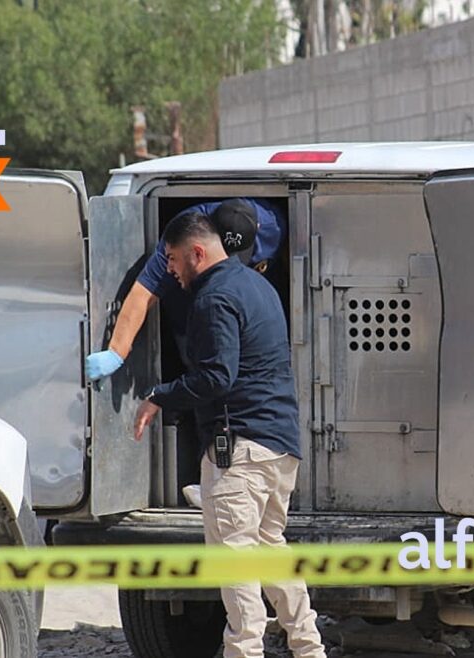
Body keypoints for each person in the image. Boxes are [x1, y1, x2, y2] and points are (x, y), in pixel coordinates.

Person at [131, 211, 325, 658]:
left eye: (174, 260)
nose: (172, 272)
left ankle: (245, 651)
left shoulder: (212, 299)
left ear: (197, 253)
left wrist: (159, 394)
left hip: (239, 450)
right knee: (270, 551)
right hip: (278, 446)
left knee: (235, 561)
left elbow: (216, 377)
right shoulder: (259, 287)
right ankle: (309, 648)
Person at [84, 197, 283, 382]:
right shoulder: (182, 238)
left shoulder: (274, 226)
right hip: (189, 306)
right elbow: (142, 294)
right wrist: (116, 353)